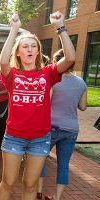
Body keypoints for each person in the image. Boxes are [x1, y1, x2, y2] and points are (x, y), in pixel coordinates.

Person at [0, 11, 76, 200]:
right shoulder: (12, 74)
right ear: (18, 51)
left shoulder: (47, 73)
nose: (30, 49)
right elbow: (2, 61)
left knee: (30, 184)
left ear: (38, 51)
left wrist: (60, 27)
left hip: (40, 139)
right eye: (25, 46)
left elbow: (71, 58)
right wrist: (14, 30)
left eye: (33, 46)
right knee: (8, 182)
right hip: (14, 136)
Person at [37, 49, 87, 200]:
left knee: (41, 158)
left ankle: (38, 191)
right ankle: (57, 197)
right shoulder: (81, 83)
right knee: (64, 165)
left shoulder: (54, 81)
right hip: (71, 129)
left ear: (56, 62)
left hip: (51, 126)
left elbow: (46, 102)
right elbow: (83, 107)